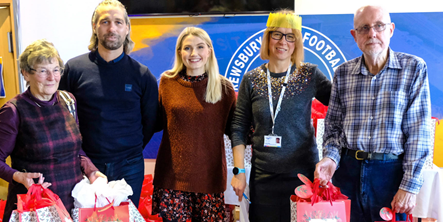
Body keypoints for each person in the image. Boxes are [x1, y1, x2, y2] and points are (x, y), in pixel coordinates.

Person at [314, 5, 431, 222]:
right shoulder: (342, 73)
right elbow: (333, 129)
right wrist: (330, 157)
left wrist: (409, 186)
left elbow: (419, 132)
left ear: (391, 29)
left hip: (391, 175)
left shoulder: (414, 68)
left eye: (379, 26)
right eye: (364, 28)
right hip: (346, 174)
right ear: (354, 35)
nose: (372, 33)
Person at [231, 10, 332, 222]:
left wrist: (331, 155)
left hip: (302, 176)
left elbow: (340, 105)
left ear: (297, 42)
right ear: (268, 38)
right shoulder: (252, 79)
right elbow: (239, 127)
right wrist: (239, 171)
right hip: (264, 177)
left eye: (290, 36)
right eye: (276, 34)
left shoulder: (309, 74)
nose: (282, 41)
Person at [0, 39, 105, 222]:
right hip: (36, 205)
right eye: (43, 71)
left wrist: (92, 171)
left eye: (56, 69)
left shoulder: (68, 100)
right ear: (25, 73)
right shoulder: (13, 111)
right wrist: (18, 176)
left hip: (72, 199)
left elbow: (76, 151)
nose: (52, 77)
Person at [59, 0, 159, 206]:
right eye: (105, 22)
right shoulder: (74, 69)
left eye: (118, 22)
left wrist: (130, 149)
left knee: (127, 218)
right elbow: (62, 116)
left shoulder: (142, 74)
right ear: (94, 27)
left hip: (129, 166)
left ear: (127, 29)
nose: (112, 28)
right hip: (85, 165)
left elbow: (150, 122)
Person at [152, 27, 236, 222]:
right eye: (187, 48)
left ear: (209, 51)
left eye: (199, 47)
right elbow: (155, 122)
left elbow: (237, 131)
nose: (193, 53)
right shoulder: (167, 82)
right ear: (180, 52)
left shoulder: (224, 88)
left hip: (209, 180)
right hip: (172, 179)